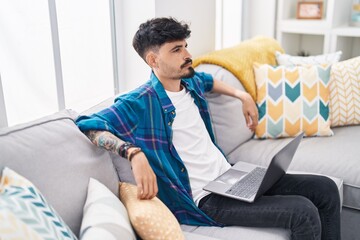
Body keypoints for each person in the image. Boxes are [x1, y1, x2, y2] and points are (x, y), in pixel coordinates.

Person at [76, 17, 340, 240]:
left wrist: (243, 95)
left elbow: (209, 80)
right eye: (176, 50)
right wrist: (133, 153)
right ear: (153, 60)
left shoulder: (188, 82)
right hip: (207, 198)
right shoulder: (139, 102)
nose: (188, 55)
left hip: (231, 177)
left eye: (186, 47)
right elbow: (88, 125)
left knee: (326, 189)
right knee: (303, 211)